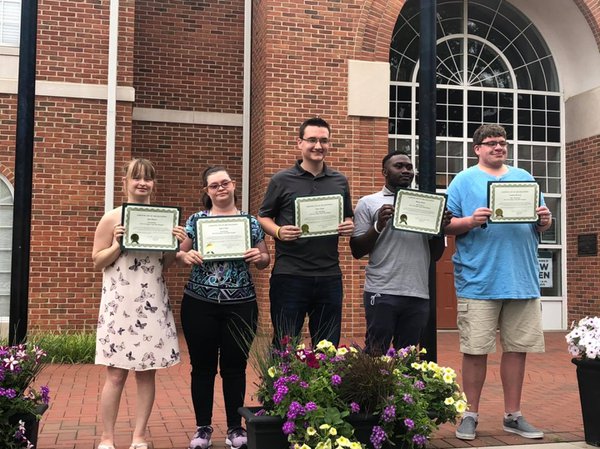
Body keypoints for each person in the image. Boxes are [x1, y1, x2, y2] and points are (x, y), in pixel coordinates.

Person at [444, 124, 552, 441]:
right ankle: (470, 415)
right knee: (476, 350)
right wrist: (469, 221)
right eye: (491, 143)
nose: (498, 147)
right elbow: (445, 224)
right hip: (479, 279)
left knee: (518, 350)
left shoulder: (524, 178)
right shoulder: (463, 180)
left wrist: (545, 220)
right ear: (477, 148)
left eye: (502, 143)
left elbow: (540, 222)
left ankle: (513, 416)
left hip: (521, 278)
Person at [92, 158, 186, 449]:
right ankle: (107, 438)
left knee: (146, 374)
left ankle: (139, 436)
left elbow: (164, 264)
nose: (142, 183)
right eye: (137, 178)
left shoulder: (164, 219)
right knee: (116, 374)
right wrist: (118, 244)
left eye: (148, 178)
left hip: (151, 303)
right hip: (120, 304)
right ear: (126, 182)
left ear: (153, 184)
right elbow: (97, 260)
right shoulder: (112, 218)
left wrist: (177, 244)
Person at [177, 166, 270, 449]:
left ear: (233, 186)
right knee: (202, 368)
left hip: (241, 304)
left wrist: (260, 255)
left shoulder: (250, 222)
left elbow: (265, 257)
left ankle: (234, 428)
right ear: (207, 191)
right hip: (199, 303)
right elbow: (180, 252)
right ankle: (202, 429)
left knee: (234, 367)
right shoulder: (196, 220)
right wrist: (185, 255)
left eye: (225, 183)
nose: (221, 188)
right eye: (214, 185)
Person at [258, 117, 354, 347]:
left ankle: (324, 384)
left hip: (329, 274)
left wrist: (349, 224)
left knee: (327, 346)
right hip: (290, 274)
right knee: (285, 344)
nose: (318, 146)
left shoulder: (340, 181)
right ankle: (281, 384)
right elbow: (263, 216)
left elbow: (348, 215)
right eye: (312, 140)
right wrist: (279, 231)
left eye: (324, 140)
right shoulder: (281, 180)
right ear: (299, 143)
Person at [350, 149, 450, 355]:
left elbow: (436, 256)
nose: (406, 170)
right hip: (382, 289)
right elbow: (357, 250)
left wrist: (440, 230)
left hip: (417, 292)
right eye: (399, 166)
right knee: (376, 352)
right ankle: (374, 389)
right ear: (384, 171)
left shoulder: (427, 204)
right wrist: (378, 225)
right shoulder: (369, 202)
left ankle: (404, 388)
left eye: (409, 167)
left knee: (408, 355)